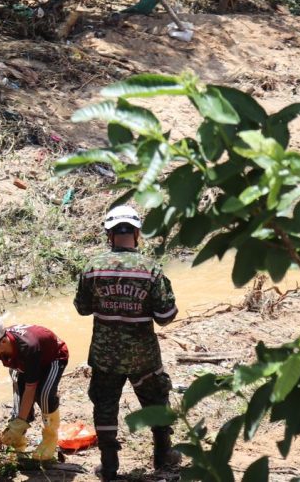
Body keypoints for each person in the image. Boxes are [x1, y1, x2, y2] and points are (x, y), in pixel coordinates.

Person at [74, 205, 180, 480]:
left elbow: (82, 308)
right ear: (136, 233)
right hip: (143, 356)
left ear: (109, 234)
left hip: (105, 356)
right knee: (156, 401)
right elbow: (166, 316)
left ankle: (109, 466)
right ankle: (163, 456)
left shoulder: (93, 267)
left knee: (105, 406)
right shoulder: (150, 269)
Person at [0, 315, 69, 461]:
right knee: (18, 400)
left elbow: (31, 388)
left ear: (3, 341)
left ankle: (49, 438)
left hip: (51, 359)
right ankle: (18, 443)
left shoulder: (29, 347)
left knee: (44, 394)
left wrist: (20, 423)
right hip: (22, 363)